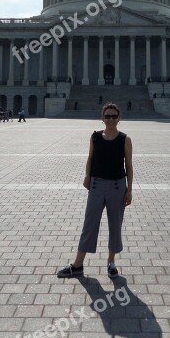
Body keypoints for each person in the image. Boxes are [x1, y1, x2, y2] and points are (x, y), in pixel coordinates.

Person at [57, 103, 133, 279]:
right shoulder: (95, 137)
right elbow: (90, 158)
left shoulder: (125, 139)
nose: (111, 119)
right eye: (108, 116)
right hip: (97, 185)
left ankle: (111, 262)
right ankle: (77, 264)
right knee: (89, 225)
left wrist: (129, 190)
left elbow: (129, 166)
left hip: (117, 186)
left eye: (114, 116)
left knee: (115, 225)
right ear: (102, 118)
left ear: (119, 119)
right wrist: (86, 176)